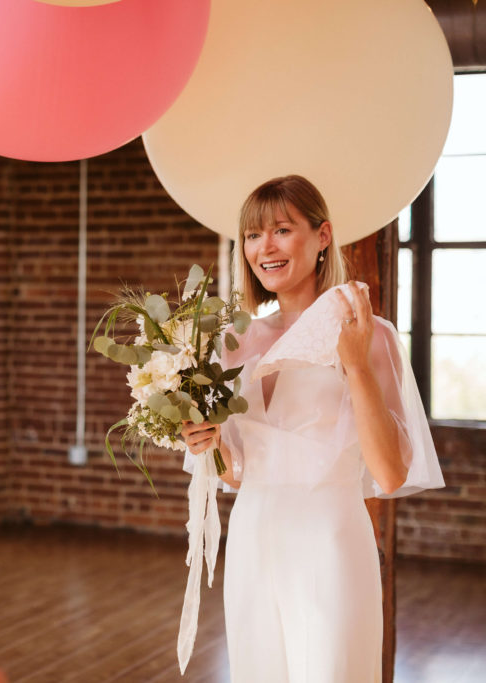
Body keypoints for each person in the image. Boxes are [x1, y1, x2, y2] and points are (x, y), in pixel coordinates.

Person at [181, 175, 444, 682]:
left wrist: (357, 366)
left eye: (282, 230)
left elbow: (389, 475)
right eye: (253, 235)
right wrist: (209, 444)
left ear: (323, 236)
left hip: (329, 543)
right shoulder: (235, 342)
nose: (265, 247)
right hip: (254, 540)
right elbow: (239, 472)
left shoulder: (372, 334)